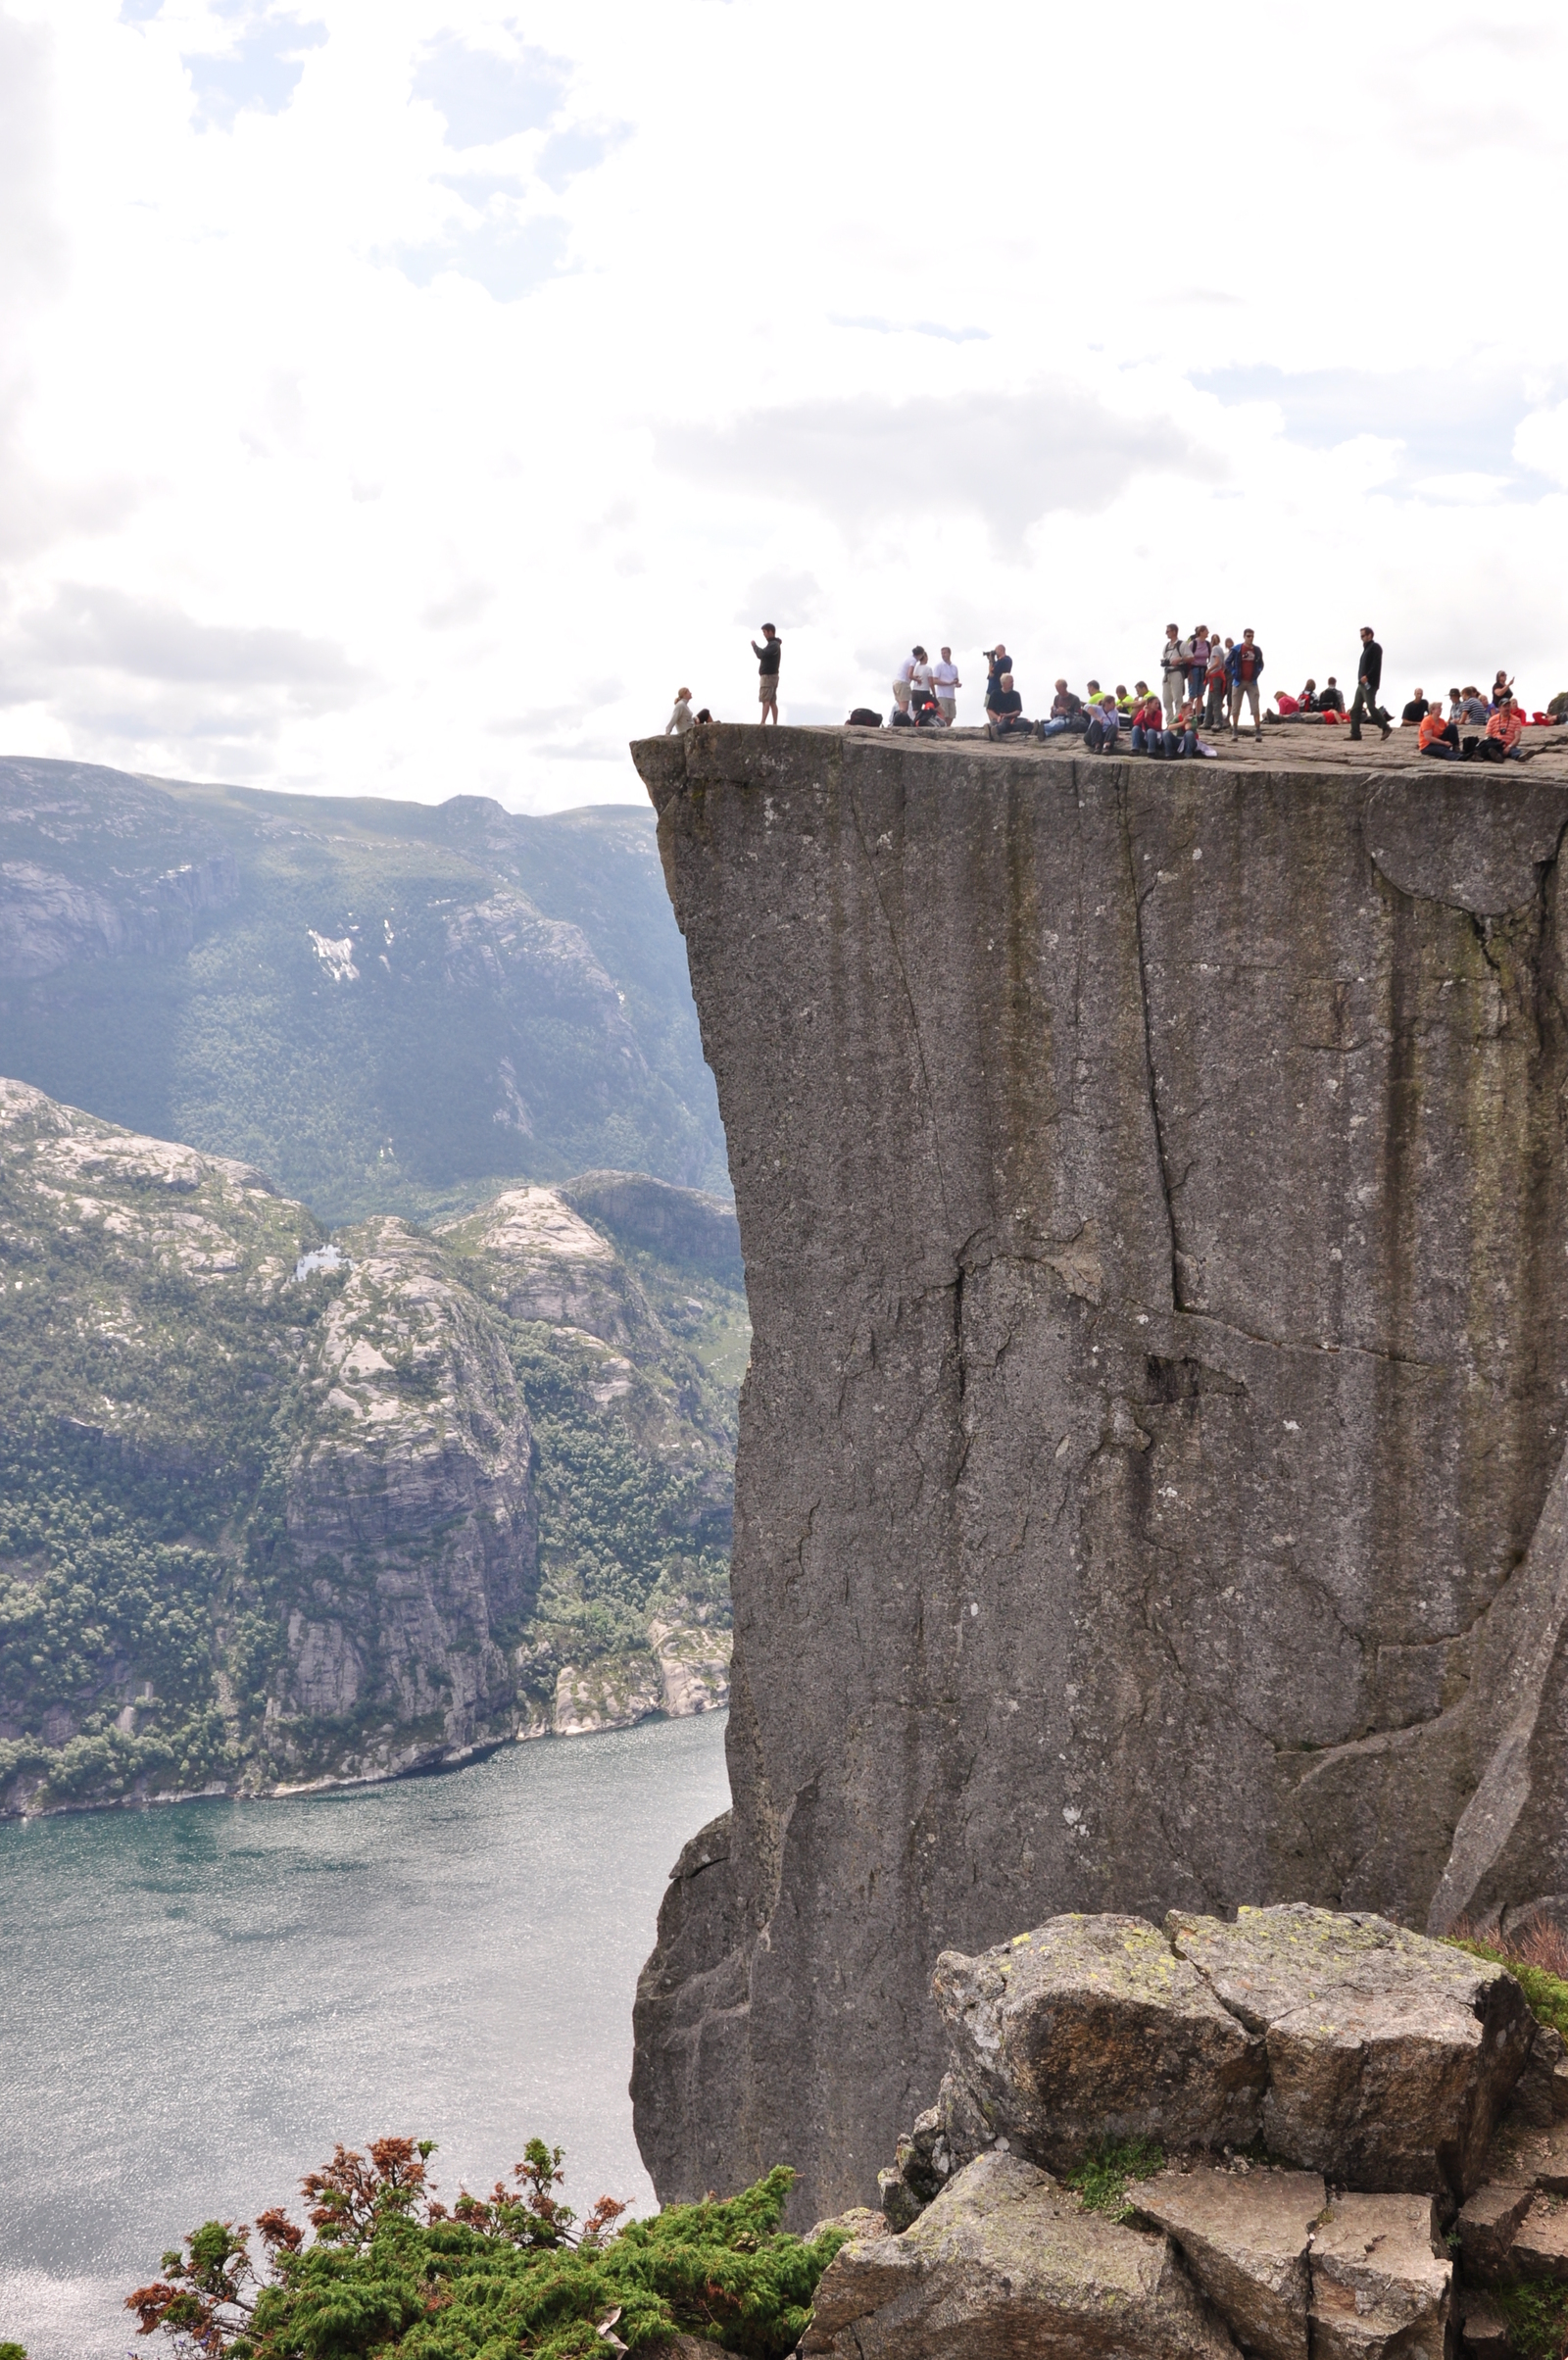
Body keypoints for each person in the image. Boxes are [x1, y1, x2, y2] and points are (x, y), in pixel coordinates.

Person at [1349, 628, 1390, 741]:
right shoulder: (1366, 649)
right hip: (1361, 684)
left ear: (1370, 635)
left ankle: (1385, 727)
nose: (1361, 638)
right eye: (1361, 636)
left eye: (1363, 636)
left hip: (1370, 683)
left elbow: (1376, 665)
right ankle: (1355, 733)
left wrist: (1368, 676)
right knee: (1356, 708)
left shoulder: (1375, 647)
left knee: (1371, 706)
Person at [1226, 627, 1265, 737]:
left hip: (1252, 682)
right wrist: (1234, 672)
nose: (1250, 638)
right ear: (1244, 636)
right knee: (1236, 707)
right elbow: (1228, 662)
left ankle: (1258, 730)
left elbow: (1261, 664)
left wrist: (1257, 672)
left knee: (1255, 706)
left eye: (1252, 636)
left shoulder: (1257, 650)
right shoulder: (1237, 649)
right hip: (1239, 681)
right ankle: (1235, 730)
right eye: (1248, 636)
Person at [987, 672, 1032, 740]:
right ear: (1004, 683)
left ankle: (992, 730)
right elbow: (989, 709)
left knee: (1025, 722)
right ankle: (995, 729)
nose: (1012, 684)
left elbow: (1018, 711)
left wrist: (1007, 715)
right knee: (1002, 723)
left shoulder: (1016, 694)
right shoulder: (995, 693)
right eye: (1011, 682)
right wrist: (998, 717)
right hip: (999, 720)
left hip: (1012, 720)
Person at [753, 624, 781, 723]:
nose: (764, 635)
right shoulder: (775, 645)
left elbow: (761, 654)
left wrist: (754, 646)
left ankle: (763, 722)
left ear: (770, 632)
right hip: (773, 676)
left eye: (764, 632)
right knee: (772, 701)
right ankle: (774, 723)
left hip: (768, 676)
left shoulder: (773, 645)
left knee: (766, 700)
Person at [1160, 623, 1185, 723]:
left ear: (1174, 632)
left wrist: (1180, 659)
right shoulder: (1166, 646)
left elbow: (1191, 657)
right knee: (1166, 699)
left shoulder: (1182, 644)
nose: (1166, 633)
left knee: (1177, 699)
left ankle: (1178, 722)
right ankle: (1170, 722)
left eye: (1168, 631)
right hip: (1167, 673)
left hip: (1176, 672)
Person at [1129, 687, 1165, 754]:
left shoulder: (1158, 713)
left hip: (1155, 739)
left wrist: (1147, 717)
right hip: (1145, 738)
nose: (1157, 705)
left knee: (1150, 731)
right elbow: (1135, 723)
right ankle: (1135, 749)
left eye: (1158, 704)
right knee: (1135, 728)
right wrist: (1143, 713)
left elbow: (1155, 727)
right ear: (1149, 704)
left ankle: (1151, 751)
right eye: (1155, 703)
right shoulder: (1142, 712)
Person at [932, 646, 961, 723]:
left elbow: (955, 680)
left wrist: (957, 684)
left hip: (951, 695)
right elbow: (934, 680)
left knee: (951, 716)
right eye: (942, 653)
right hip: (942, 695)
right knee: (942, 715)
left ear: (949, 653)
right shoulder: (939, 666)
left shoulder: (954, 667)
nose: (943, 655)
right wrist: (947, 683)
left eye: (945, 653)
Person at [1203, 639, 1229, 728]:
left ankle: (1217, 722)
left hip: (1215, 675)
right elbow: (1223, 664)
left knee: (1216, 700)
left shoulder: (1215, 649)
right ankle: (1207, 722)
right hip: (1217, 675)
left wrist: (1209, 670)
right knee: (1210, 700)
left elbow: (1217, 662)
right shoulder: (1221, 649)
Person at [1187, 627, 1211, 705]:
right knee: (1192, 695)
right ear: (1201, 632)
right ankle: (1188, 712)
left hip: (1204, 670)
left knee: (1200, 694)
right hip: (1194, 669)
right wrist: (1189, 673)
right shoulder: (1193, 643)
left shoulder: (1208, 644)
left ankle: (1198, 715)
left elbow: (1210, 658)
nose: (1208, 632)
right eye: (1206, 631)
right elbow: (1187, 659)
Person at [893, 649, 917, 716]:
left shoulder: (907, 658)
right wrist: (917, 679)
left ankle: (898, 720)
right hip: (903, 683)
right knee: (904, 708)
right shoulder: (913, 660)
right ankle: (901, 722)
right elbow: (909, 675)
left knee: (900, 706)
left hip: (896, 682)